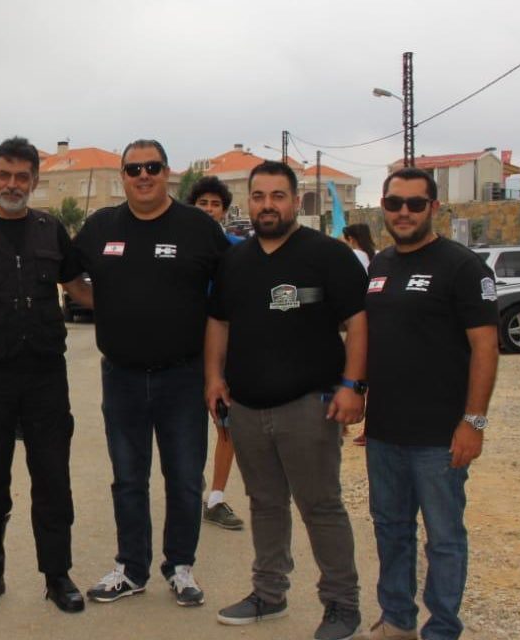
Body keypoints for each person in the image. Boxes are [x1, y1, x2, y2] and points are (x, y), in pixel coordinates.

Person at [204, 161, 367, 640]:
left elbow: (359, 322)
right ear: (248, 203)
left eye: (278, 196)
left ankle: (341, 605)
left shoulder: (328, 255)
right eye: (259, 196)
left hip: (309, 407)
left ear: (296, 201)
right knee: (265, 504)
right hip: (247, 408)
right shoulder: (235, 261)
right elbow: (218, 322)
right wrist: (213, 377)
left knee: (321, 506)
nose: (268, 205)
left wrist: (353, 385)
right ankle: (269, 594)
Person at [75, 140, 228, 607]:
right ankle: (131, 568)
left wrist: (216, 374)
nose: (143, 175)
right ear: (123, 175)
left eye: (152, 167)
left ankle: (180, 567)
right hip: (121, 377)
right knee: (128, 478)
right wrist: (104, 304)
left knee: (184, 477)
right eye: (134, 169)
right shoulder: (101, 226)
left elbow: (227, 299)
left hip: (182, 377)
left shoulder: (198, 227)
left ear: (167, 173)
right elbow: (67, 275)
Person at [0, 136, 90, 613]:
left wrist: (132, 300)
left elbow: (78, 288)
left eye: (21, 177)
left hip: (45, 373)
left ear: (34, 181)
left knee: (52, 478)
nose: (12, 184)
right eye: (4, 175)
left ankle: (57, 576)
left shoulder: (51, 229)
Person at [360, 168, 498, 640]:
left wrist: (473, 422)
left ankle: (441, 628)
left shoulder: (463, 267)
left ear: (433, 208)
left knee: (443, 538)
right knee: (390, 530)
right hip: (384, 432)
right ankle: (397, 620)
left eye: (415, 204)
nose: (404, 212)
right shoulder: (379, 265)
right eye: (394, 203)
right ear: (384, 206)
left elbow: (486, 348)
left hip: (440, 437)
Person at [184, 175, 246, 532]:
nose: (208, 209)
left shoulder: (237, 248)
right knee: (188, 428)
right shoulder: (178, 245)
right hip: (185, 350)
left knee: (227, 424)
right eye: (202, 203)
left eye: (215, 204)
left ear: (224, 211)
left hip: (227, 349)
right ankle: (190, 489)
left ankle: (216, 498)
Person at [342, 223, 378, 446]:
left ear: (351, 238)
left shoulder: (354, 255)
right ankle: (370, 427)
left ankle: (343, 423)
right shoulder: (375, 256)